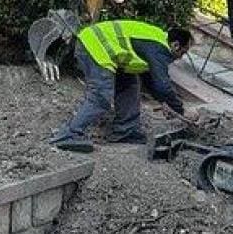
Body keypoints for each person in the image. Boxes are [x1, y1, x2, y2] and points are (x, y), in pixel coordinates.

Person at [43, 18, 194, 153]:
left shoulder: (157, 41)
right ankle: (68, 135)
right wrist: (180, 109)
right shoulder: (159, 49)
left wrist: (167, 102)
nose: (181, 57)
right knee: (100, 97)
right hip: (96, 48)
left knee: (130, 86)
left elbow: (152, 83)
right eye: (183, 52)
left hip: (102, 47)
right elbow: (162, 86)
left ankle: (125, 131)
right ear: (175, 45)